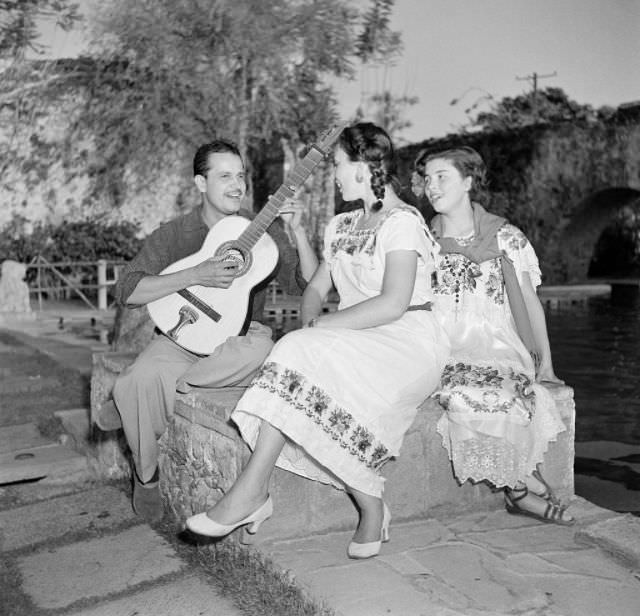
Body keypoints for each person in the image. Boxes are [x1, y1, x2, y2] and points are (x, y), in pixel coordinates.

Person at [186, 122, 450, 559]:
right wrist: (313, 325)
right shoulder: (343, 224)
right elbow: (314, 290)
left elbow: (392, 304)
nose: (335, 175)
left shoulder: (403, 222)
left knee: (297, 351)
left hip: (409, 340)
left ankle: (256, 494)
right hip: (356, 337)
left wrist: (321, 330)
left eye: (340, 165)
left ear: (365, 167)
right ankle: (330, 501)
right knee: (296, 353)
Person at [95, 139, 318, 522]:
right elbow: (127, 291)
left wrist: (297, 232)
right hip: (185, 337)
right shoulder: (175, 233)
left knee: (263, 353)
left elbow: (308, 287)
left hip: (240, 341)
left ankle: (135, 395)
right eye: (225, 176)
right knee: (143, 377)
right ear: (200, 183)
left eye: (242, 176)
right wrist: (196, 274)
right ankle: (145, 475)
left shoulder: (264, 231)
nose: (238, 186)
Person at [418, 145, 574, 525]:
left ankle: (517, 481)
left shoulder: (506, 238)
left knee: (511, 392)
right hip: (443, 345)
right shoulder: (422, 239)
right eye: (427, 179)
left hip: (498, 341)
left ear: (469, 182)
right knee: (462, 392)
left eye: (443, 177)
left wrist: (546, 364)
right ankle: (519, 489)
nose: (431, 186)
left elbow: (530, 304)